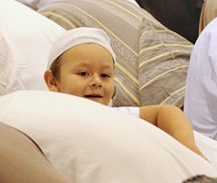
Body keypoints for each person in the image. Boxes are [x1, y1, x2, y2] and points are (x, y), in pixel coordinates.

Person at [44, 27, 205, 159]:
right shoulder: (44, 119)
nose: (96, 82)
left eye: (105, 75)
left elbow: (165, 112)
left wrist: (187, 146)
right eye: (83, 73)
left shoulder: (116, 115)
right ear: (52, 81)